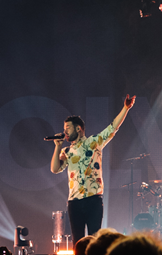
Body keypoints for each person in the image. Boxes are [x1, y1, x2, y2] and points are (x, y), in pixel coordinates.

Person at [50, 95, 136, 241]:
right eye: (64, 129)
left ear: (79, 128)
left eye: (68, 128)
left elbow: (113, 127)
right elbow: (55, 169)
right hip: (74, 201)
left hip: (93, 200)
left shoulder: (93, 142)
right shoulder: (67, 151)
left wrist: (125, 108)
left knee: (94, 240)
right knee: (77, 241)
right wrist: (58, 147)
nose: (65, 132)